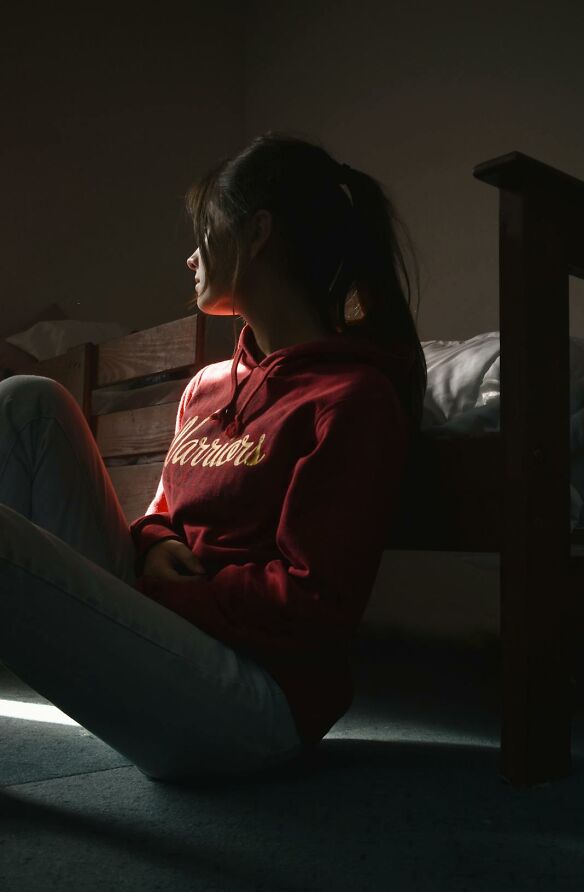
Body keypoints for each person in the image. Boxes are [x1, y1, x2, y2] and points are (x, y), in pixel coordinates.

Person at [0, 131, 427, 784]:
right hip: (171, 637)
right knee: (29, 402)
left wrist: (169, 591)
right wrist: (149, 543)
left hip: (254, 701)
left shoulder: (352, 397)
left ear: (257, 233)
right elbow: (161, 515)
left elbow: (313, 605)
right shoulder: (206, 388)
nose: (190, 257)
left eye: (205, 232)